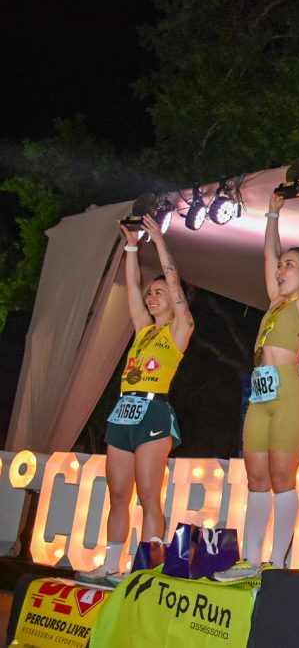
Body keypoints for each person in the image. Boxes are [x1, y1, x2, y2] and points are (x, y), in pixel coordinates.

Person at [215, 180, 299, 581]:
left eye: (290, 266)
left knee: (283, 478)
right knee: (256, 479)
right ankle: (250, 561)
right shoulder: (275, 302)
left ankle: (277, 563)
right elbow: (268, 255)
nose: (281, 269)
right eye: (281, 265)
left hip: (289, 394)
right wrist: (272, 213)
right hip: (260, 396)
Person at [77, 215, 194, 586]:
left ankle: (146, 569)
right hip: (123, 412)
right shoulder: (143, 331)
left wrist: (159, 242)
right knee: (118, 494)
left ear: (174, 300)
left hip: (154, 413)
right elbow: (131, 286)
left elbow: (174, 282)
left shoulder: (180, 330)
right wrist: (131, 247)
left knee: (148, 494)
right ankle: (111, 565)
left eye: (159, 293)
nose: (151, 296)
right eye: (151, 293)